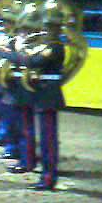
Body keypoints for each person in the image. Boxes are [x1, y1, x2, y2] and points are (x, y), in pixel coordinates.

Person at [23, 13, 67, 190]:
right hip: (45, 92)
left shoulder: (54, 47)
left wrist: (22, 51)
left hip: (48, 94)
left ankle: (48, 177)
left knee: (48, 139)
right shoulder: (49, 45)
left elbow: (34, 62)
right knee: (47, 137)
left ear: (55, 30)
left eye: (48, 28)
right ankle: (47, 174)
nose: (44, 31)